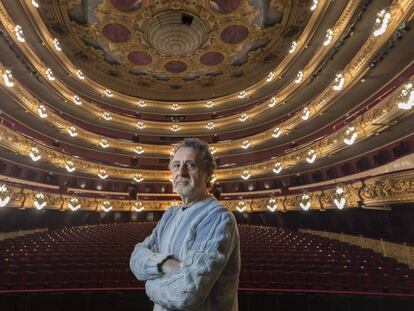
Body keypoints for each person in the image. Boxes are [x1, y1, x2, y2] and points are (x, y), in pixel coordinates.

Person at [130, 138, 240, 311]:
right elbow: (136, 257)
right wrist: (164, 264)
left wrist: (148, 284)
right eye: (176, 165)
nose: (181, 172)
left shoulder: (218, 217)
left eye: (190, 165)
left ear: (207, 174)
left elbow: (187, 293)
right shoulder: (170, 214)